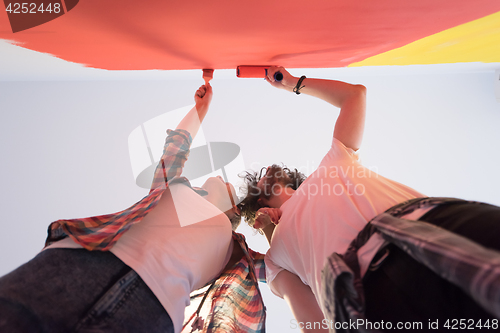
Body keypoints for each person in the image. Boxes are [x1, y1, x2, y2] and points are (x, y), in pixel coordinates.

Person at [240, 66, 500, 332]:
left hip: (432, 222)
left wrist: (294, 83)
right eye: (258, 185)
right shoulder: (274, 259)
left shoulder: (332, 162)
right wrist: (270, 229)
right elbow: (314, 325)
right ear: (259, 203)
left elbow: (355, 96)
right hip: (366, 294)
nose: (264, 175)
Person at [0, 84, 266, 333]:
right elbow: (176, 149)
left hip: (148, 310)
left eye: (231, 190)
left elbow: (284, 263)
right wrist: (200, 110)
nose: (224, 179)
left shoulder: (234, 250)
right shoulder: (172, 186)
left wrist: (268, 225)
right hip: (79, 264)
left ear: (233, 213)